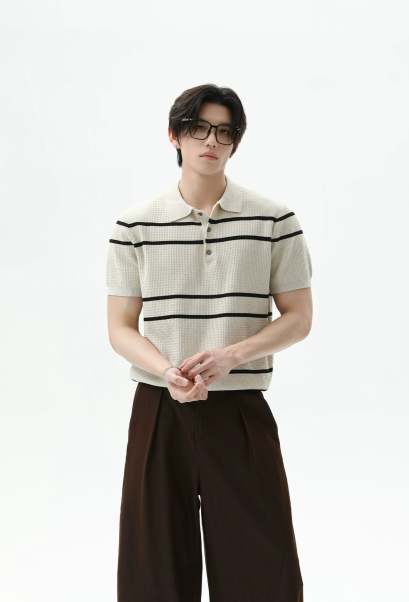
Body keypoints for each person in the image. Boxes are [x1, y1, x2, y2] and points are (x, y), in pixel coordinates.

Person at [106, 83, 313, 602]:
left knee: (261, 567)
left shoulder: (274, 220)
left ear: (236, 142)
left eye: (224, 132)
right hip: (160, 407)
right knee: (153, 568)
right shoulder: (134, 225)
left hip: (240, 408)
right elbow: (120, 327)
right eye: (198, 129)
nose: (211, 141)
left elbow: (299, 317)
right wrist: (166, 371)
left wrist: (232, 356)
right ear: (174, 136)